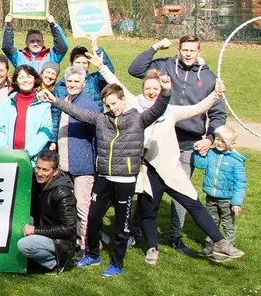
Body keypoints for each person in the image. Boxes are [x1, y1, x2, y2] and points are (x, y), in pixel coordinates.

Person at [49, 77, 172, 277]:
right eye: (107, 105)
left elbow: (158, 109)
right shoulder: (102, 119)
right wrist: (55, 100)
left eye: (114, 103)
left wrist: (165, 91)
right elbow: (78, 112)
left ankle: (117, 263)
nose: (111, 108)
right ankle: (93, 254)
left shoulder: (138, 119)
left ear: (123, 100)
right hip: (104, 178)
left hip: (124, 181)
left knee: (121, 227)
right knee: (93, 218)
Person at [128, 35, 228, 254]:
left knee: (182, 197)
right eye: (184, 49)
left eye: (192, 50)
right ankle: (134, 235)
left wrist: (209, 139)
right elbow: (135, 70)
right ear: (179, 50)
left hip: (187, 145)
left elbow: (218, 114)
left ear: (199, 51)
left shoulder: (209, 78)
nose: (188, 53)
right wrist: (154, 47)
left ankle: (175, 237)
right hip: (158, 142)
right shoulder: (165, 65)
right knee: (147, 196)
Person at [53, 64, 99, 251]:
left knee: (82, 207)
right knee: (67, 205)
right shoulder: (64, 100)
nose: (72, 84)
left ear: (84, 83)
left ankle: (86, 244)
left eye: (76, 81)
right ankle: (71, 241)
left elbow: (96, 135)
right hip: (64, 163)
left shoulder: (88, 105)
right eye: (69, 81)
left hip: (82, 164)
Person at [18, 150, 76, 273]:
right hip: (43, 226)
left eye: (45, 170)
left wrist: (35, 230)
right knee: (17, 222)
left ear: (55, 172)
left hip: (61, 241)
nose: (39, 173)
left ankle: (55, 264)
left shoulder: (63, 193)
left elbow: (69, 228)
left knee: (24, 245)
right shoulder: (35, 179)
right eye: (38, 168)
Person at [193, 125, 247, 248]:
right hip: (211, 196)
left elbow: (240, 183)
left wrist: (237, 203)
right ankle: (210, 245)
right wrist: (198, 153)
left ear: (232, 143)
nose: (219, 143)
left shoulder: (236, 161)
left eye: (223, 141)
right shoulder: (211, 153)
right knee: (211, 222)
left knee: (228, 224)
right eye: (217, 139)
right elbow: (200, 165)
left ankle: (228, 247)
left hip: (227, 199)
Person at [0, 64, 57, 159]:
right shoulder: (7, 102)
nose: (26, 80)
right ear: (16, 81)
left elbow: (46, 130)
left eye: (29, 77)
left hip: (33, 159)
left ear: (35, 79)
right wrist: (2, 146)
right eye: (21, 77)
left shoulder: (43, 104)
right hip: (9, 156)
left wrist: (28, 152)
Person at [1, 13, 69, 70]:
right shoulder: (19, 57)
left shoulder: (51, 56)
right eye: (32, 41)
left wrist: (53, 25)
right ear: (26, 43)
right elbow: (7, 47)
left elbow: (62, 46)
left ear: (43, 42)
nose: (35, 44)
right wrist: (8, 26)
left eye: (38, 41)